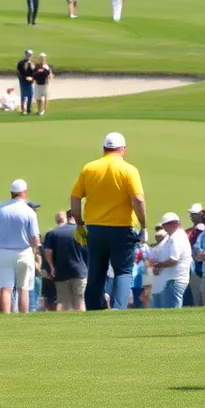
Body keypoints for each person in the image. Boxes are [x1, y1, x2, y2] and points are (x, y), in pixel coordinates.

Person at [70, 132, 147, 311]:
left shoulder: (89, 168)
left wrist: (79, 222)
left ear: (104, 148)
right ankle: (118, 309)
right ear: (123, 149)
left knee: (96, 271)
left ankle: (93, 310)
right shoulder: (129, 169)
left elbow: (75, 198)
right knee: (123, 271)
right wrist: (143, 225)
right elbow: (138, 199)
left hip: (95, 228)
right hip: (122, 228)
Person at [0, 179, 41, 314]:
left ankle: (6, 317)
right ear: (24, 193)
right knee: (24, 288)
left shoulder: (0, 209)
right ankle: (23, 317)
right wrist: (35, 249)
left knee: (6, 288)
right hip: (24, 251)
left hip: (4, 251)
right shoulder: (29, 211)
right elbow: (34, 238)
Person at [43, 211, 88, 311]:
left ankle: (65, 324)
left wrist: (51, 267)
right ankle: (81, 324)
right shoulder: (82, 232)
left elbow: (47, 251)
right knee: (80, 300)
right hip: (79, 271)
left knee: (63, 302)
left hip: (61, 271)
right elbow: (88, 253)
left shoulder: (53, 233)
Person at [148, 213, 192, 308]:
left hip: (174, 279)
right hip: (171, 279)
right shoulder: (173, 236)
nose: (164, 227)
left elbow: (173, 260)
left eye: (166, 224)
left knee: (171, 309)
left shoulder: (176, 238)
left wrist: (158, 265)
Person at [17, 50, 36, 115]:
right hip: (23, 81)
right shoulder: (21, 63)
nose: (29, 56)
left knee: (30, 95)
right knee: (23, 95)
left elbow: (34, 72)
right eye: (28, 54)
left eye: (30, 55)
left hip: (29, 81)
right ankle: (23, 109)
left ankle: (29, 109)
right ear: (25, 55)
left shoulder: (32, 64)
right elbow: (20, 72)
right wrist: (25, 77)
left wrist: (33, 78)